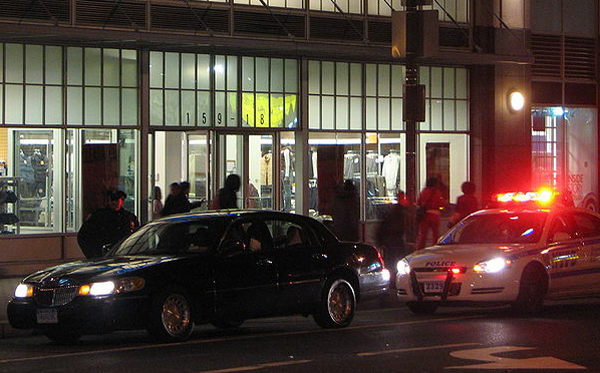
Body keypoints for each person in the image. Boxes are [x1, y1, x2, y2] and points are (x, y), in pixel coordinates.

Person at [77, 190, 139, 259]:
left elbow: (136, 235)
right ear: (108, 201)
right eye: (112, 200)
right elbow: (83, 236)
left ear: (122, 201)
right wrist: (93, 255)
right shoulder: (99, 216)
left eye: (117, 200)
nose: (114, 203)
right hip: (102, 255)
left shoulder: (129, 217)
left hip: (124, 254)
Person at [377, 190, 409, 269]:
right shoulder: (398, 211)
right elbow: (394, 226)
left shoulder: (396, 210)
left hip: (392, 239)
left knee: (392, 259)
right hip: (394, 239)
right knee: (396, 258)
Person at [416, 177, 445, 250]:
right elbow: (441, 203)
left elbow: (419, 202)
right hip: (435, 214)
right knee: (435, 234)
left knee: (423, 235)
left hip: (425, 214)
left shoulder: (424, 191)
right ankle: (435, 249)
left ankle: (420, 249)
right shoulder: (437, 192)